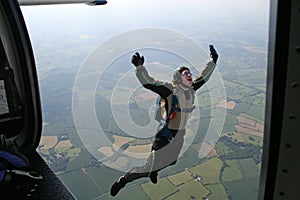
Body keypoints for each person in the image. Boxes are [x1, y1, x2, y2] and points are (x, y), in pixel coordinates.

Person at [110, 45, 218, 196]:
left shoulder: (192, 89)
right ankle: (123, 180)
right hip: (165, 135)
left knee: (172, 161)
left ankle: (154, 172)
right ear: (178, 78)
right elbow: (149, 82)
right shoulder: (169, 90)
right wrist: (139, 67)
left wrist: (213, 61)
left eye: (190, 73)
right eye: (186, 73)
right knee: (148, 168)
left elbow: (204, 77)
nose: (190, 75)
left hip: (179, 133)